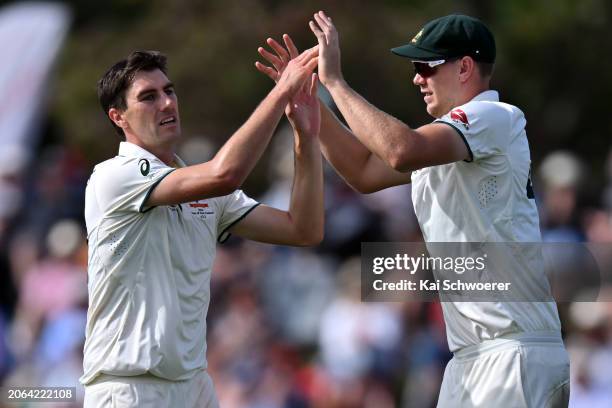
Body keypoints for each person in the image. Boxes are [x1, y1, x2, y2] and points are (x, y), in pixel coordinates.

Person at [256, 12, 570, 407]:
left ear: (465, 67)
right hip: (474, 357)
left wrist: (334, 81)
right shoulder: (449, 141)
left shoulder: (494, 116)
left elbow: (399, 150)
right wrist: (311, 109)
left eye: (426, 66)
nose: (417, 78)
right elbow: (364, 172)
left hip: (511, 351)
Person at [81, 49, 323, 407]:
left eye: (169, 91)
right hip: (128, 388)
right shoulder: (113, 176)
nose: (166, 103)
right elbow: (225, 174)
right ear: (118, 117)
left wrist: (306, 139)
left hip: (194, 386)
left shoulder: (203, 189)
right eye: (149, 97)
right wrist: (280, 93)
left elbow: (304, 230)